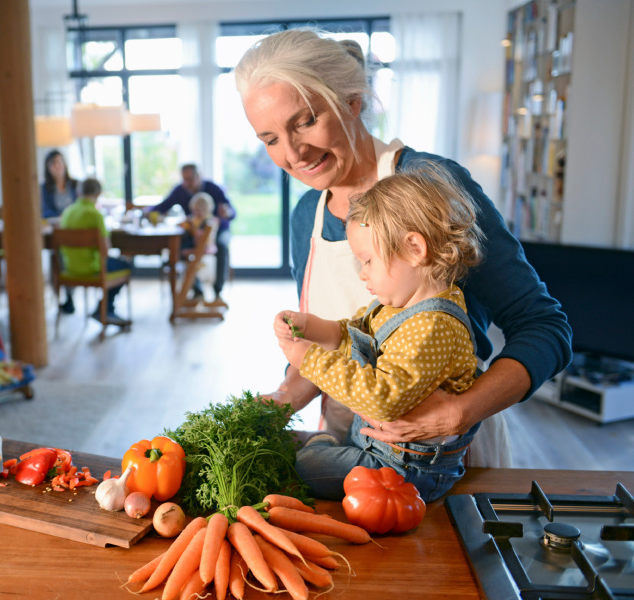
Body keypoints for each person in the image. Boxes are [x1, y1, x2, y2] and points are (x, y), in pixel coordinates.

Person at [234, 28, 572, 467]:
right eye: (271, 138)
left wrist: (459, 412)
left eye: (306, 120)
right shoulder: (307, 215)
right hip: (345, 451)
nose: (294, 153)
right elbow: (339, 343)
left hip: (443, 455)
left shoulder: (431, 185)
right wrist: (282, 397)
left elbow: (544, 326)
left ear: (352, 102)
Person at [275, 166, 484, 502]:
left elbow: (382, 399)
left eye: (368, 261)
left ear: (415, 248)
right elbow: (353, 335)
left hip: (405, 470)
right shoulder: (397, 305)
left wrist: (308, 359)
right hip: (377, 450)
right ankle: (324, 445)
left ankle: (322, 446)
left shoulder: (434, 326)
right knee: (304, 457)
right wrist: (312, 327)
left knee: (294, 468)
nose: (362, 274)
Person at [147, 164, 236, 306]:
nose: (186, 183)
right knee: (179, 248)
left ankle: (218, 292)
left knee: (222, 245)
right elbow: (164, 205)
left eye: (190, 179)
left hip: (219, 230)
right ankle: (197, 291)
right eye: (184, 179)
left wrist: (227, 213)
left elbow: (231, 211)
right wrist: (147, 212)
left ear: (198, 177)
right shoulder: (181, 190)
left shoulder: (213, 189)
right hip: (196, 233)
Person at [59, 177, 131, 326]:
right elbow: (105, 251)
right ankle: (105, 308)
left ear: (79, 192)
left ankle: (103, 309)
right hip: (92, 268)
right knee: (125, 265)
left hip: (69, 268)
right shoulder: (95, 215)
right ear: (98, 194)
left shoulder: (67, 212)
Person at [40, 149, 79, 314]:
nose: (57, 166)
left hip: (75, 229)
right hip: (55, 229)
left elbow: (80, 206)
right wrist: (61, 216)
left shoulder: (75, 185)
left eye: (60, 162)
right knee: (56, 257)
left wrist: (70, 216)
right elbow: (45, 211)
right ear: (48, 167)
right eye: (53, 163)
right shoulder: (45, 188)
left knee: (70, 256)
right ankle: (61, 297)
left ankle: (70, 295)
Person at [179, 192, 219, 302]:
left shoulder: (208, 221)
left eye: (198, 210)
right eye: (194, 210)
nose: (195, 213)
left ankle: (198, 291)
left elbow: (200, 237)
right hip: (197, 248)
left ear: (206, 210)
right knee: (188, 264)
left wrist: (191, 228)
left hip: (202, 248)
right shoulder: (196, 219)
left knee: (186, 261)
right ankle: (197, 291)